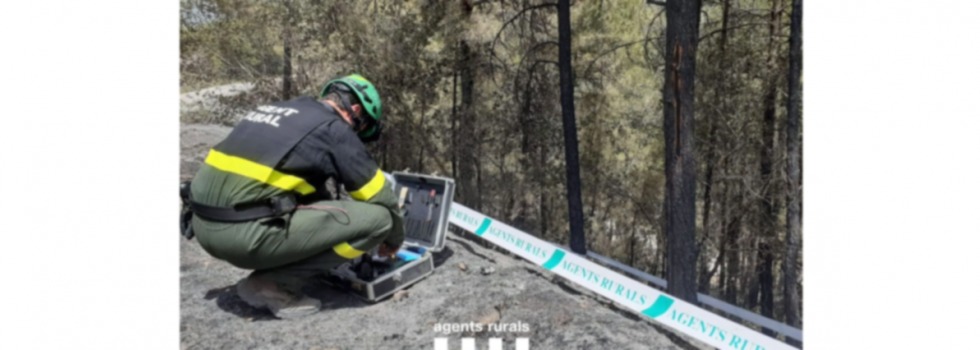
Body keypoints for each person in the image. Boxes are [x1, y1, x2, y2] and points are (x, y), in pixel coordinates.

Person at [187, 74, 404, 319]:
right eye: (361, 129)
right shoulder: (333, 128)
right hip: (241, 239)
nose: (357, 136)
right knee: (380, 221)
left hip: (203, 227)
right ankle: (273, 285)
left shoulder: (280, 110)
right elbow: (380, 196)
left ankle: (278, 265)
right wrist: (394, 240)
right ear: (355, 111)